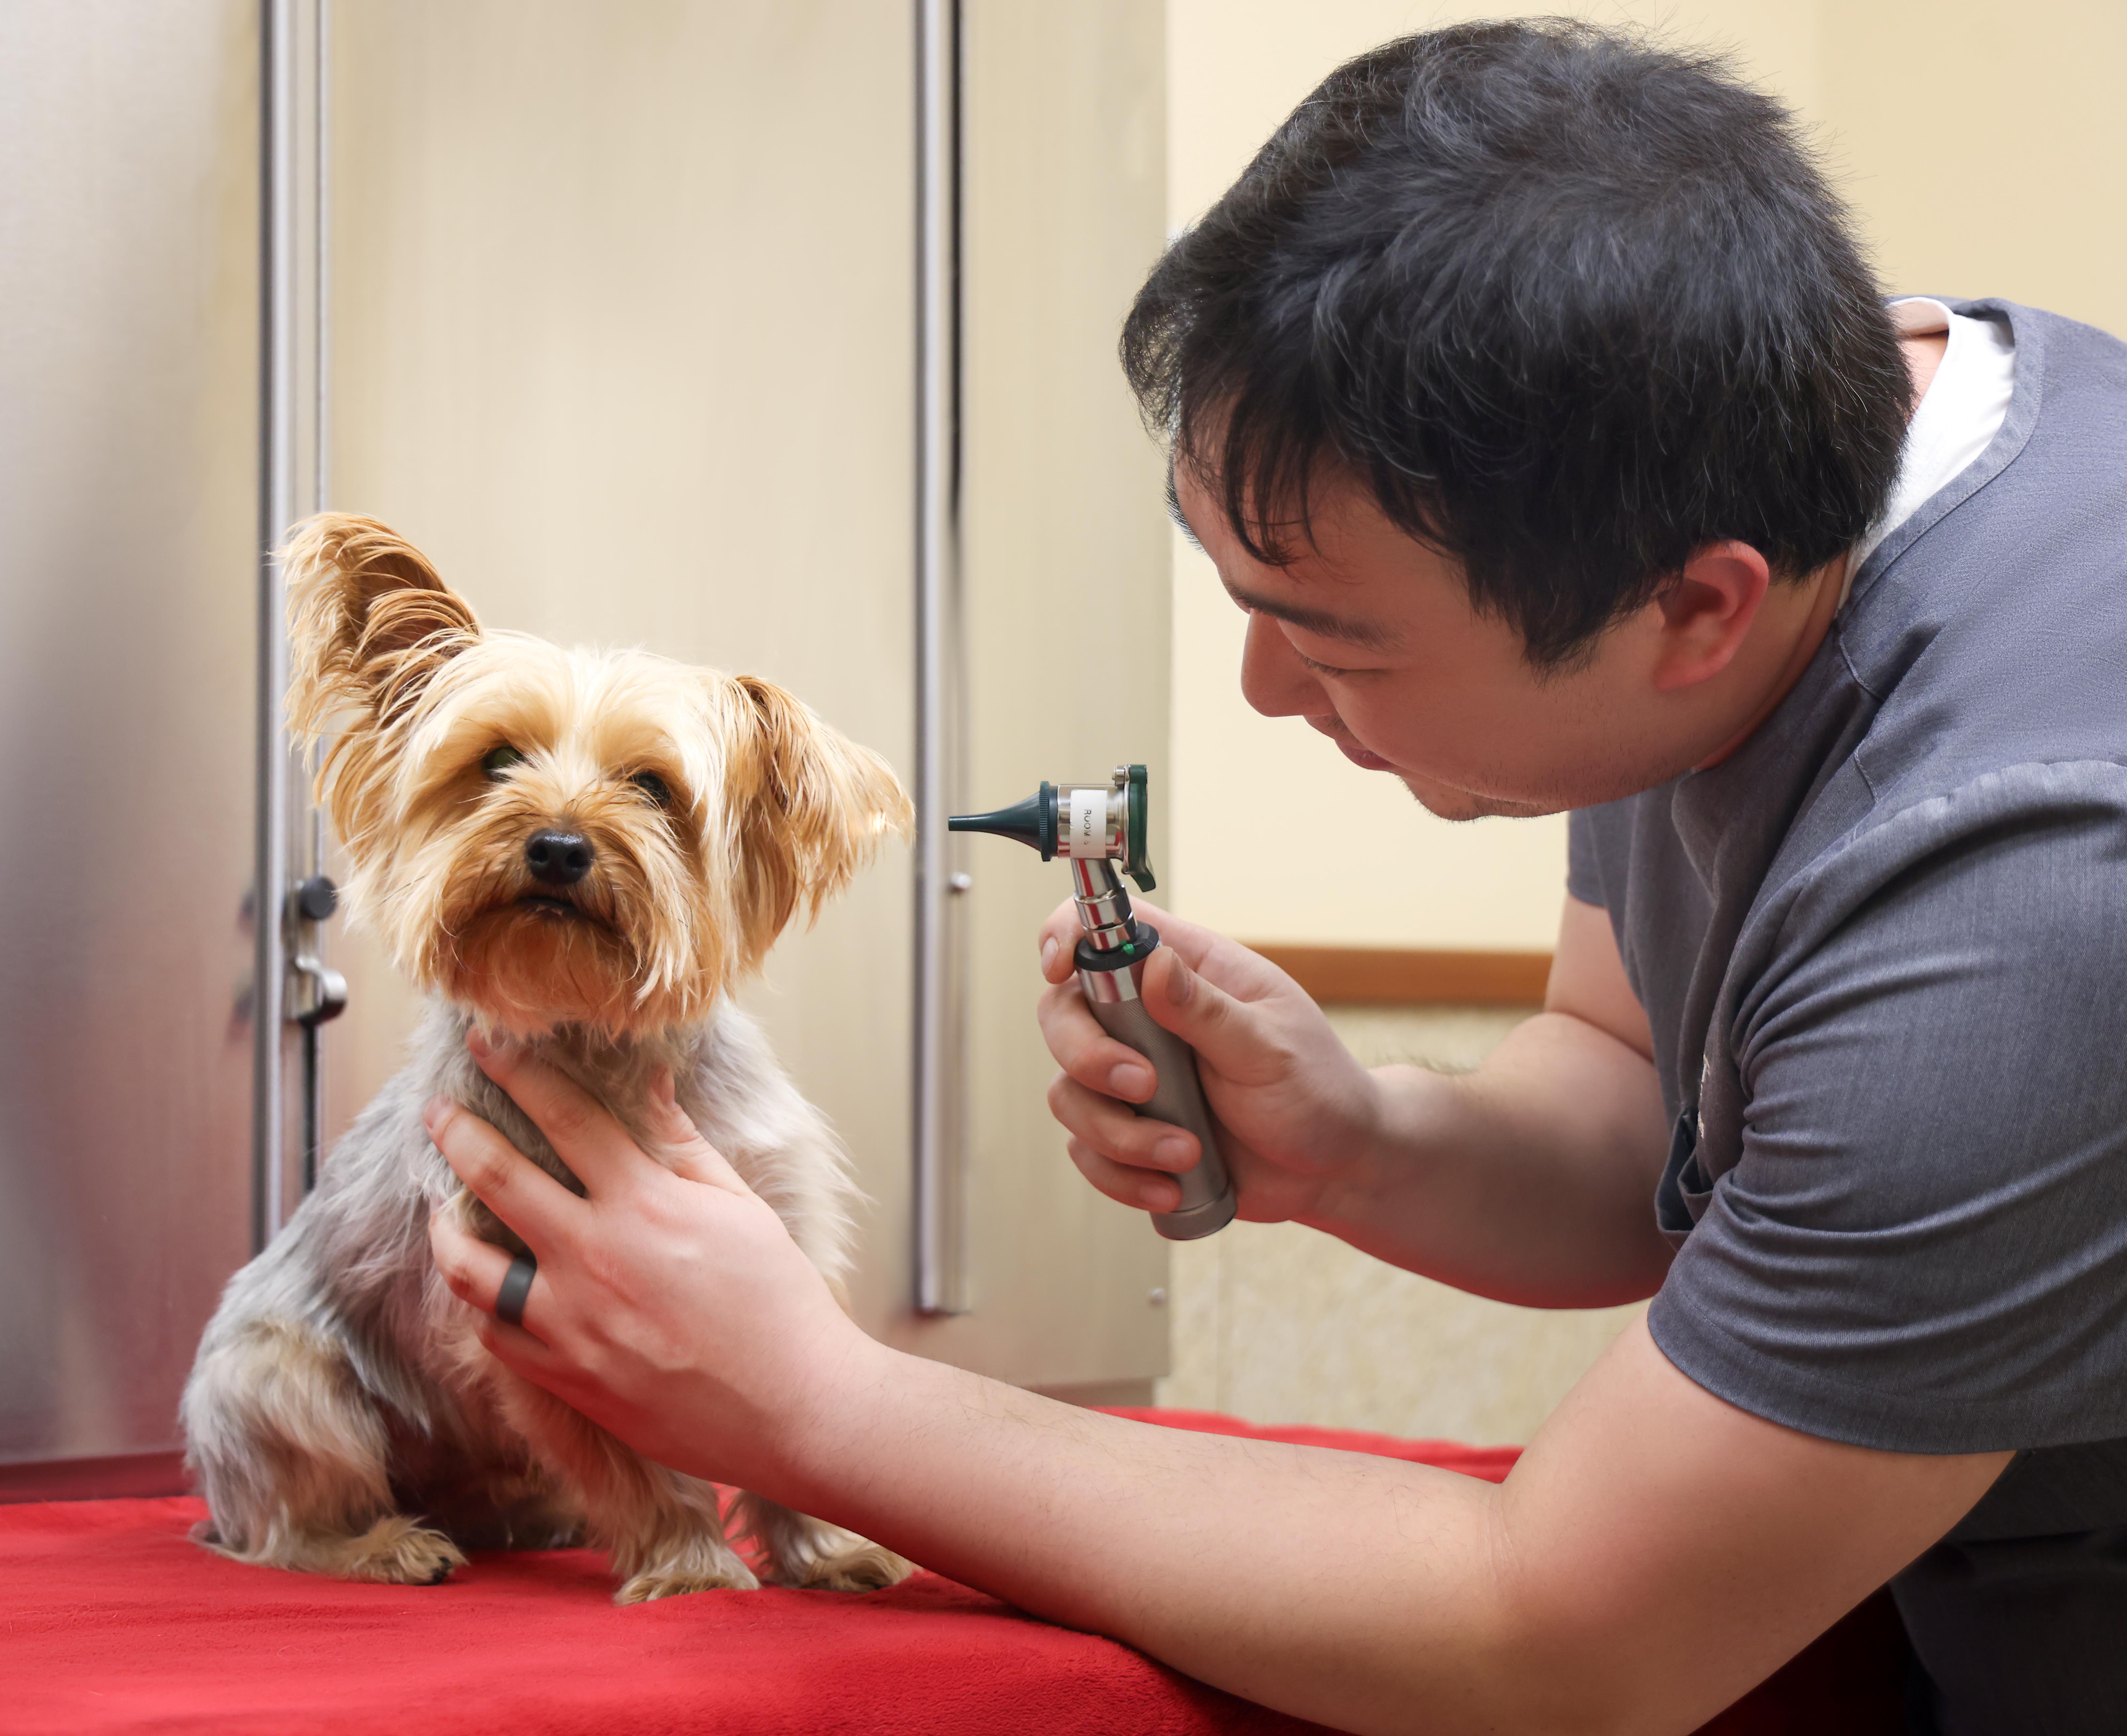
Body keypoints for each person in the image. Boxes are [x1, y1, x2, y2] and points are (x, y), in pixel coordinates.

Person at [424, 22, 2127, 1733]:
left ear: (1699, 610)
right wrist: (1366, 1144)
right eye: (1238, 591)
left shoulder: (2030, 891)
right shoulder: (1758, 431)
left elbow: (1565, 1644)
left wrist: (809, 1407)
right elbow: (1639, 1094)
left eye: (1331, 638)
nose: (1263, 690)